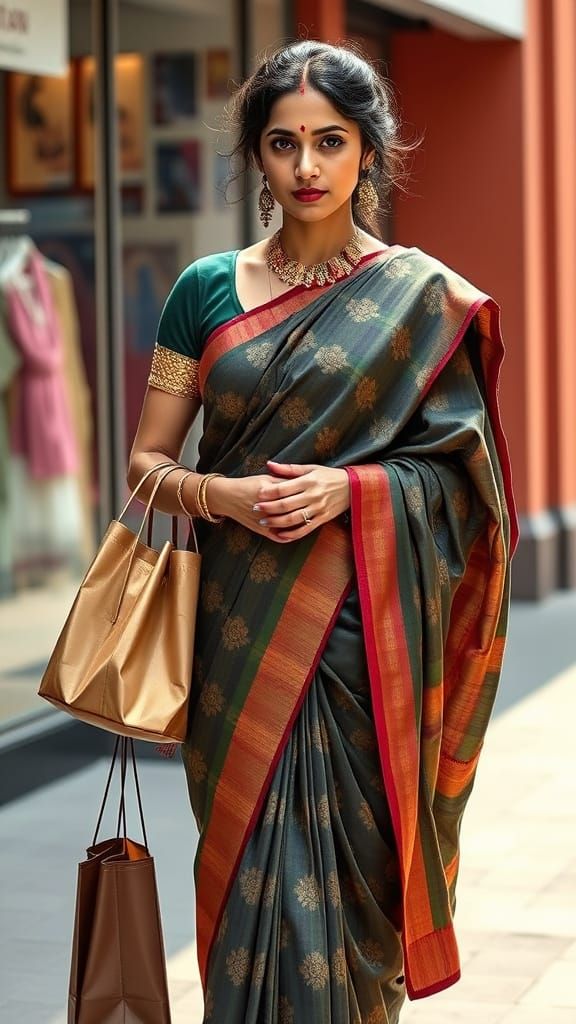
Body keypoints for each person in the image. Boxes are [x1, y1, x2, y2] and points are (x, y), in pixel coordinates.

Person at [128, 39, 518, 1024]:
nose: (306, 167)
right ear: (255, 157)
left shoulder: (421, 300)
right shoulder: (203, 293)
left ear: (368, 153)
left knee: (347, 909)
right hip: (236, 642)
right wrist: (228, 498)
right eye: (283, 143)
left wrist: (359, 493)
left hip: (363, 651)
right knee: (248, 881)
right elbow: (145, 469)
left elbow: (470, 490)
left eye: (330, 142)